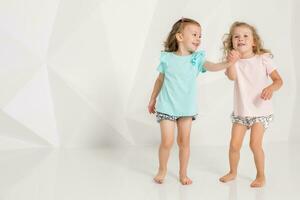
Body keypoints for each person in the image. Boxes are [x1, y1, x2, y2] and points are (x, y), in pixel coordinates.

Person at [148, 18, 238, 185]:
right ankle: (162, 170)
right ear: (180, 37)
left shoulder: (197, 59)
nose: (198, 38)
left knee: (184, 142)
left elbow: (211, 66)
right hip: (166, 106)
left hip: (186, 108)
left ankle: (183, 173)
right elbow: (160, 80)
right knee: (167, 141)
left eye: (200, 35)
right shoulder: (167, 58)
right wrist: (153, 98)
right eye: (194, 34)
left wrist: (227, 63)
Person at [219, 21, 283, 187]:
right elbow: (232, 77)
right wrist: (231, 61)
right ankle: (233, 172)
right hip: (241, 112)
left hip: (260, 112)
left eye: (245, 36)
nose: (241, 39)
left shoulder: (263, 59)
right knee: (234, 145)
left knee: (254, 144)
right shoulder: (233, 62)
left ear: (254, 41)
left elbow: (278, 81)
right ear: (232, 42)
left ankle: (261, 175)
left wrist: (271, 88)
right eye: (236, 37)